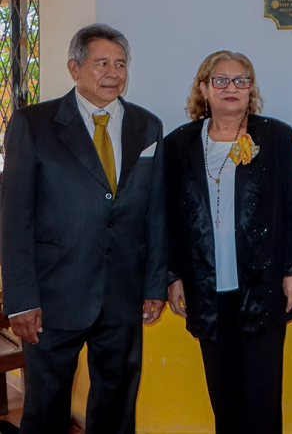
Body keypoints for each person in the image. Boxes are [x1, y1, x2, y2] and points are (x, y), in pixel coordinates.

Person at [0, 23, 168, 434]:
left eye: (120, 64)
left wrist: (154, 285)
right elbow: (14, 216)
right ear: (75, 68)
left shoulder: (148, 126)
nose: (113, 73)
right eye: (101, 63)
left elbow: (155, 213)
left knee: (117, 408)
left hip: (122, 296)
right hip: (53, 298)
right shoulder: (33, 124)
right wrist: (20, 300)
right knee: (45, 412)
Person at [164, 51, 292, 434]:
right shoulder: (178, 144)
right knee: (224, 399)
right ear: (203, 88)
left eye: (241, 81)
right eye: (221, 80)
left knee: (262, 401)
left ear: (251, 89)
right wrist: (173, 274)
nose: (232, 88)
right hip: (206, 289)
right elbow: (169, 219)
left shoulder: (275, 136)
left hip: (262, 288)